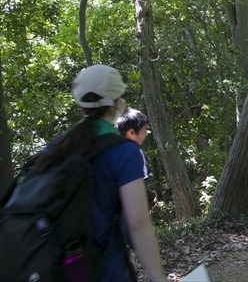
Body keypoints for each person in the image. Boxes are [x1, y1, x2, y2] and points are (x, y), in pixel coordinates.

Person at [35, 64, 166, 282]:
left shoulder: (56, 146)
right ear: (117, 103)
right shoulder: (124, 151)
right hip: (105, 268)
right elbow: (137, 223)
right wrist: (158, 276)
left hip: (57, 269)